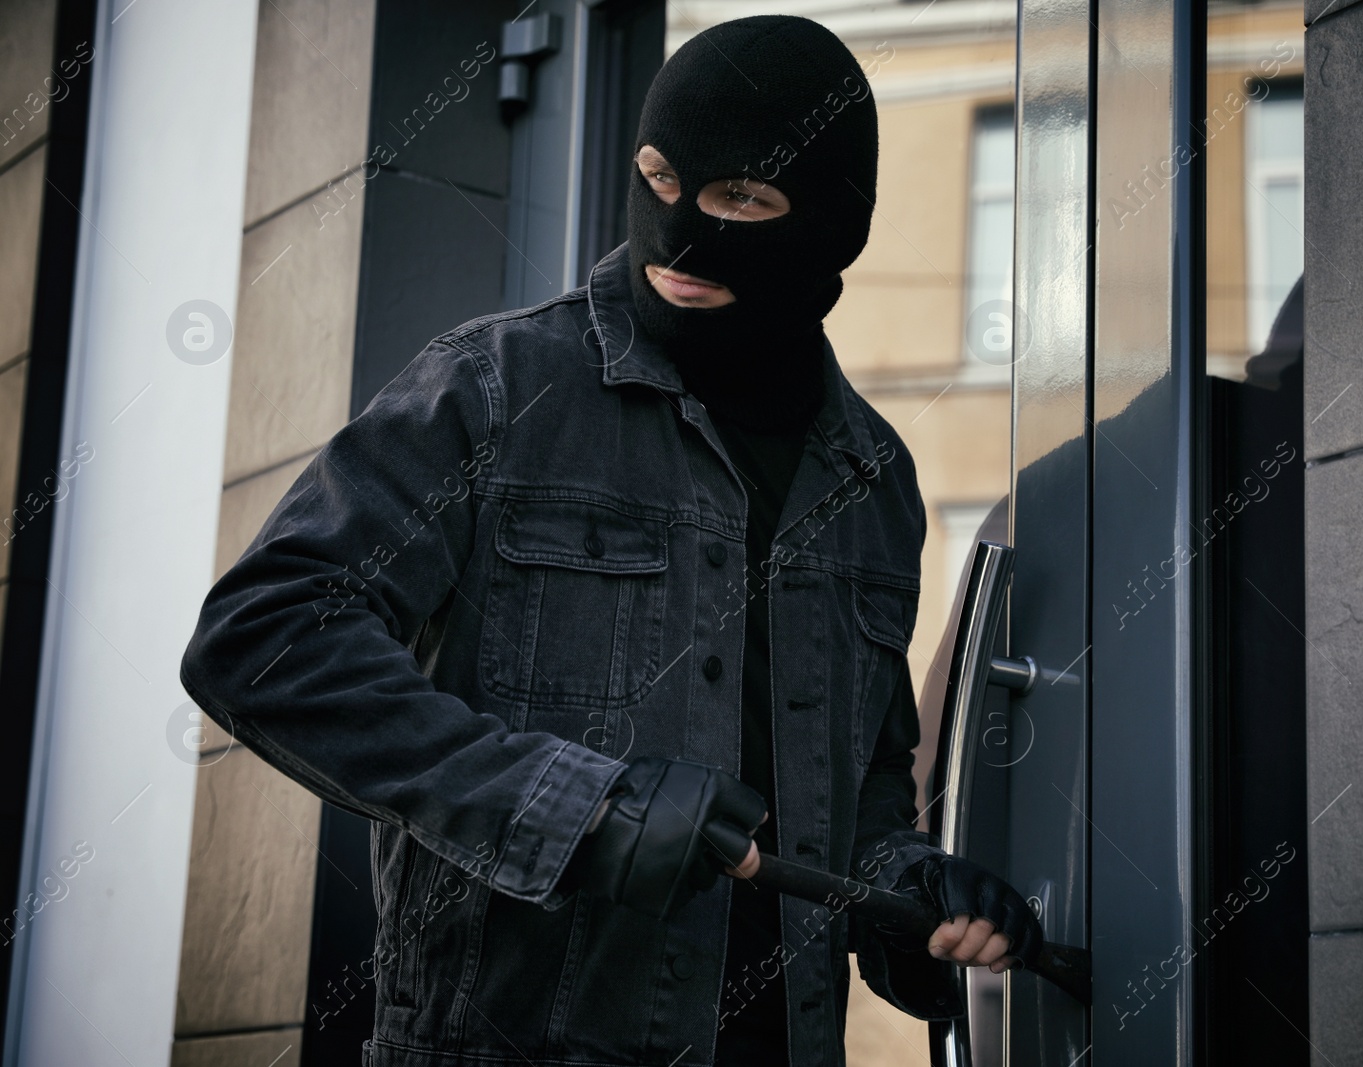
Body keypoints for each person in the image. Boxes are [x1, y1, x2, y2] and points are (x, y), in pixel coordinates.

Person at [181, 15, 1041, 1066]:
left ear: (829, 228)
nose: (677, 238)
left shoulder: (875, 479)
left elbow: (863, 797)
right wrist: (574, 807)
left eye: (738, 199)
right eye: (659, 179)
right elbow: (262, 637)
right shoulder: (492, 388)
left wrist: (919, 892)